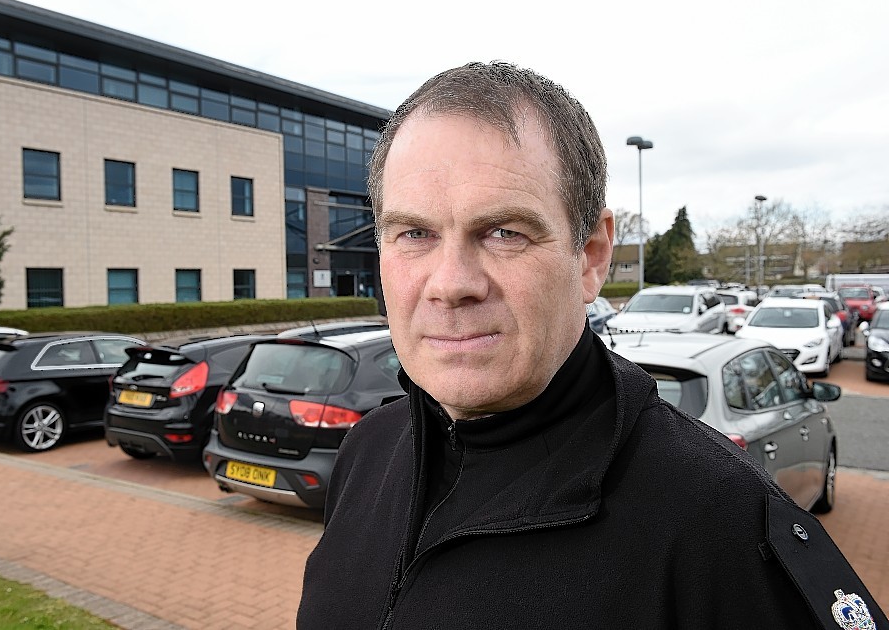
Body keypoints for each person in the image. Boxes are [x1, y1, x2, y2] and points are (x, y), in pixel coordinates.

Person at [296, 61, 886, 629]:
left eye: (504, 232)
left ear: (592, 256)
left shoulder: (718, 521)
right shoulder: (367, 454)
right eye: (414, 233)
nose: (450, 284)